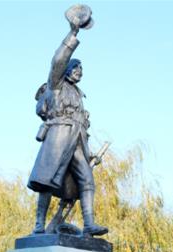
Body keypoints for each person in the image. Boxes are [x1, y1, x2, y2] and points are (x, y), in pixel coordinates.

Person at [27, 10, 108, 237]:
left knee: (87, 179)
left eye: (81, 69)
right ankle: (39, 225)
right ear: (67, 71)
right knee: (46, 181)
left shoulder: (80, 95)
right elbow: (58, 59)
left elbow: (82, 126)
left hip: (78, 141)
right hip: (59, 137)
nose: (79, 71)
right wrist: (73, 32)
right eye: (76, 68)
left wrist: (91, 154)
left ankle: (89, 223)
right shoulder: (56, 85)